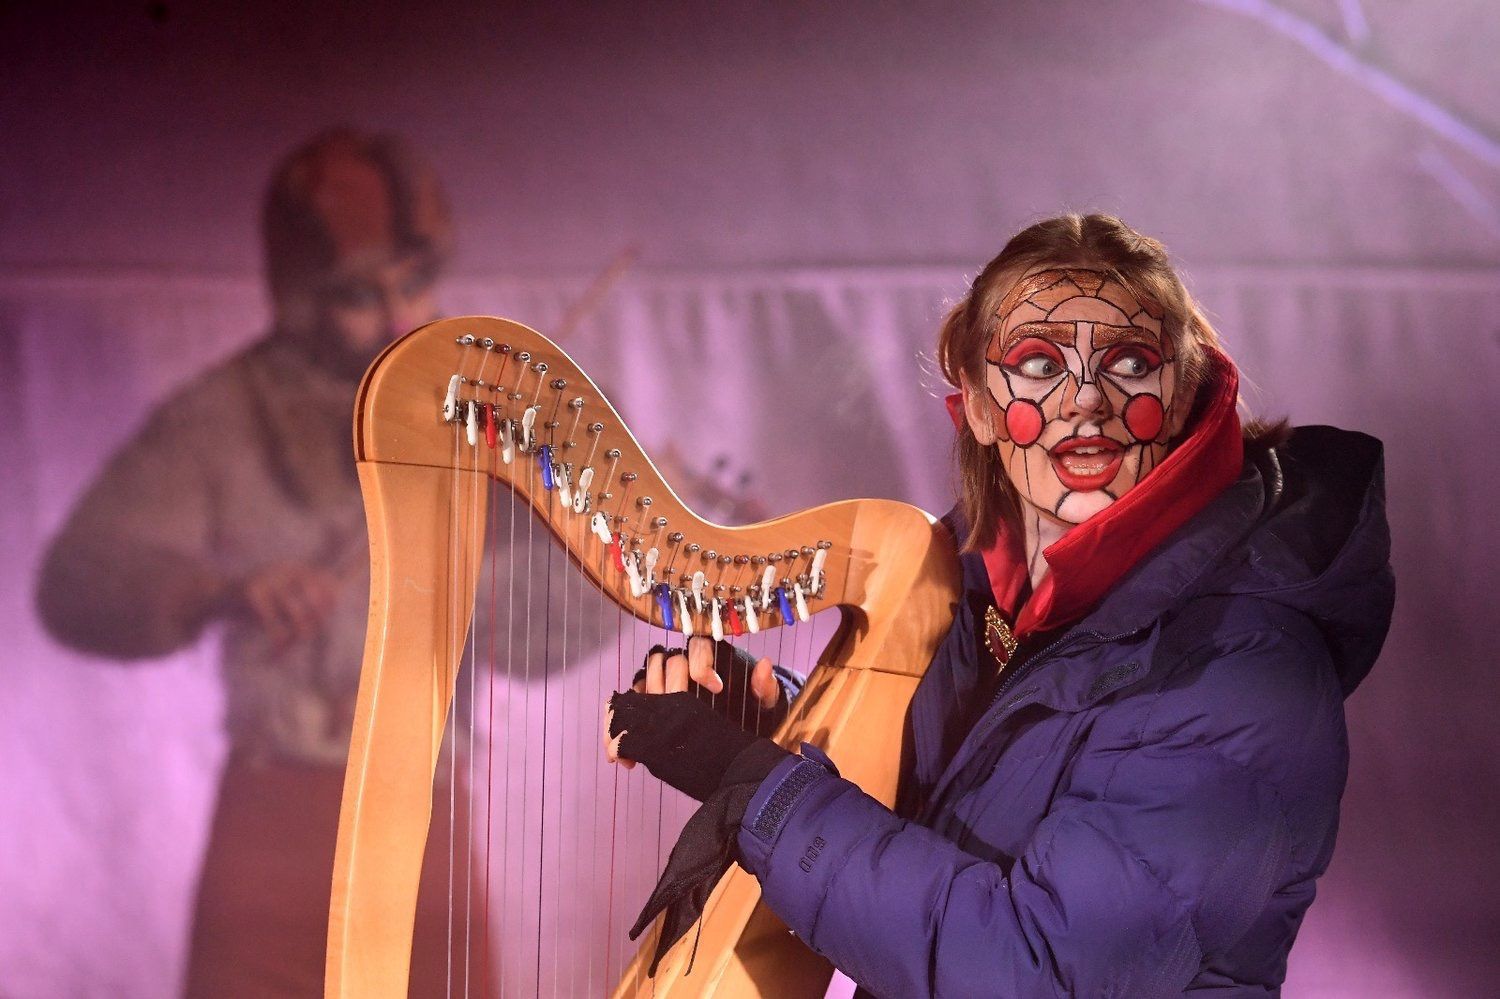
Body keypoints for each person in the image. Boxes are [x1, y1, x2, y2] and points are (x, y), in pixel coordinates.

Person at [605, 213, 1394, 996]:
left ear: (1183, 392)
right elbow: (953, 819)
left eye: (1128, 362)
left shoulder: (1244, 668)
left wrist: (762, 791)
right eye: (1039, 364)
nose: (1086, 401)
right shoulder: (994, 587)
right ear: (978, 407)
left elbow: (1035, 970)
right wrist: (771, 726)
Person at [35, 129, 484, 997]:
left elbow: (540, 637)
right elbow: (77, 578)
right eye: (359, 294)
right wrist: (220, 590)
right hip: (280, 816)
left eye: (415, 283)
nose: (401, 323)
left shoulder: (471, 415)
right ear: (300, 296)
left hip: (427, 819)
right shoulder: (222, 412)